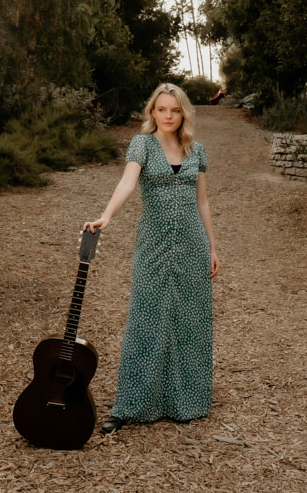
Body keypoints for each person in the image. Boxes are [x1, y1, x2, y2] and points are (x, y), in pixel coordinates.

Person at [83, 82, 220, 434]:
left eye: (175, 110)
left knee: (189, 321)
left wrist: (212, 246)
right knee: (144, 318)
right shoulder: (142, 144)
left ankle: (185, 401)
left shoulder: (196, 150)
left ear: (183, 113)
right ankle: (130, 405)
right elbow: (126, 184)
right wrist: (106, 216)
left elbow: (202, 201)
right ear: (152, 112)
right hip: (154, 244)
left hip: (192, 244)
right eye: (162, 110)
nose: (168, 116)